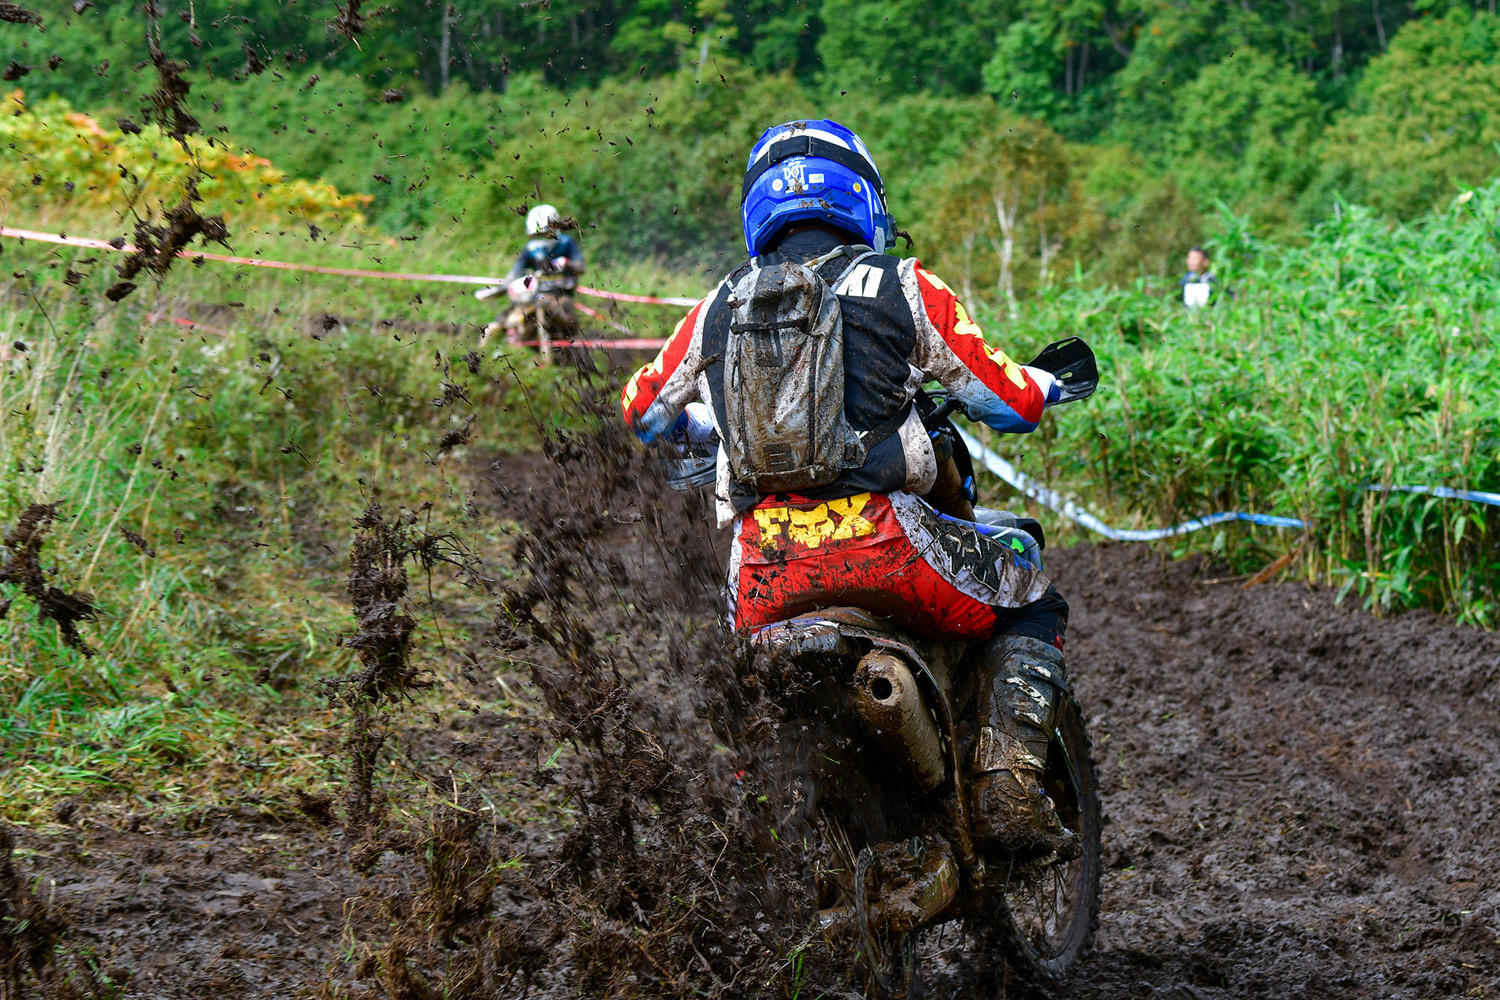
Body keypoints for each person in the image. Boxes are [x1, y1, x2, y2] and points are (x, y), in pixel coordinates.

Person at [619, 119, 1076, 853]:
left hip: (763, 570)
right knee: (1031, 593)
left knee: (751, 695)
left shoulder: (713, 307)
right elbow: (1006, 401)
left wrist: (704, 425)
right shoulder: (902, 284)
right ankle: (1008, 789)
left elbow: (641, 411)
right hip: (891, 546)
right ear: (861, 197)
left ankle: (746, 828)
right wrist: (1048, 386)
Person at [480, 203, 585, 356]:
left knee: (566, 321)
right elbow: (515, 272)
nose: (540, 239)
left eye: (543, 234)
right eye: (536, 235)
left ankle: (566, 352)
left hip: (560, 295)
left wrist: (567, 263)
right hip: (534, 295)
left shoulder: (567, 244)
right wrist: (500, 288)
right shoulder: (530, 248)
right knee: (505, 319)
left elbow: (581, 267)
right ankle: (484, 352)